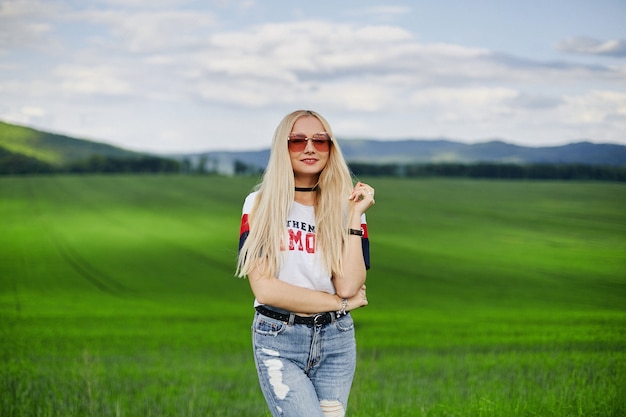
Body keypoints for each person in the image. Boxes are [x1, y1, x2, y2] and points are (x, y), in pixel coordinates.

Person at [236, 110, 375, 416]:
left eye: (320, 140)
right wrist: (339, 304)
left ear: (331, 148)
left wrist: (353, 216)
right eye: (297, 140)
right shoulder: (259, 204)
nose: (309, 148)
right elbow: (266, 290)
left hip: (336, 341)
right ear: (283, 148)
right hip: (279, 338)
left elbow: (349, 284)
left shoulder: (347, 207)